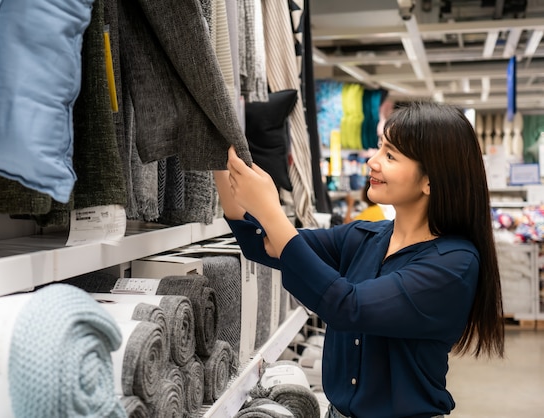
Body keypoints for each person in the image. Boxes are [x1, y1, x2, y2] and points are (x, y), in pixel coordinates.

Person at [214, 101, 504, 418]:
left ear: (430, 180)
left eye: (390, 155)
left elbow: (348, 307)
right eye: (379, 148)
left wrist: (271, 210)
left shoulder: (454, 264)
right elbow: (264, 244)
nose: (372, 161)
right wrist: (217, 157)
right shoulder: (364, 237)